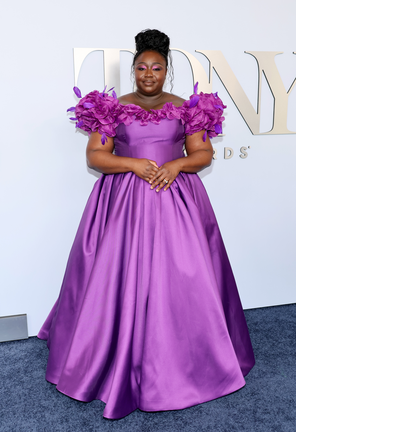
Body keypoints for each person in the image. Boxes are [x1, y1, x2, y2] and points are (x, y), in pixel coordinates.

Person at [37, 29, 255, 420]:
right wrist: (133, 164)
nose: (149, 74)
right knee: (115, 279)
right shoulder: (111, 108)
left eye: (156, 67)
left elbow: (202, 153)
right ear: (133, 70)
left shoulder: (189, 107)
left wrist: (176, 164)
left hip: (178, 203)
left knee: (183, 281)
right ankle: (107, 357)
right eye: (142, 67)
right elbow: (96, 159)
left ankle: (186, 362)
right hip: (121, 205)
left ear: (166, 70)